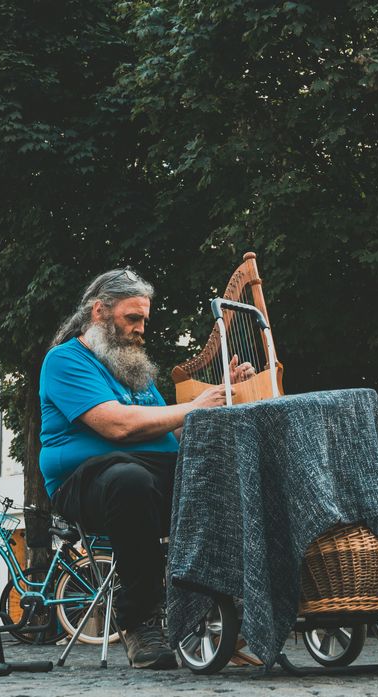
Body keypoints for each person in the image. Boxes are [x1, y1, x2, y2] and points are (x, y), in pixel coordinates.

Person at [39, 268, 252, 669]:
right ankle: (140, 622)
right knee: (129, 480)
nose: (140, 329)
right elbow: (116, 426)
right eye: (131, 318)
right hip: (86, 482)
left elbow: (173, 440)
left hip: (151, 472)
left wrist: (229, 393)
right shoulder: (65, 360)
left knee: (221, 476)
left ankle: (224, 601)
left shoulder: (137, 374)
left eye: (143, 321)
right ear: (100, 312)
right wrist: (192, 406)